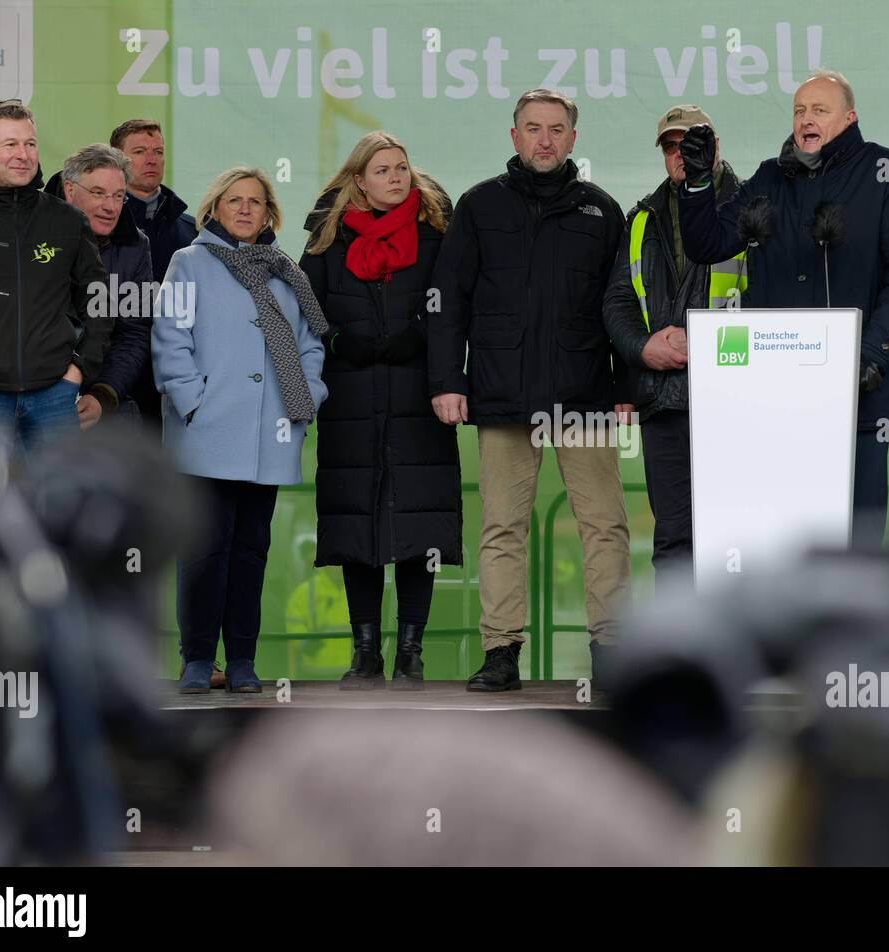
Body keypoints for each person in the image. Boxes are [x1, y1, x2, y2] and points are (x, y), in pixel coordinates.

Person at [676, 69, 889, 547]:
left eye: (819, 109)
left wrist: (872, 352)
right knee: (782, 534)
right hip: (777, 395)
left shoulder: (886, 173)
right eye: (798, 110)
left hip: (859, 394)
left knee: (856, 537)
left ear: (849, 117)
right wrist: (696, 184)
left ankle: (858, 623)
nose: (805, 119)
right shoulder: (771, 177)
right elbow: (708, 243)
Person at [430, 88, 629, 692]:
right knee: (501, 527)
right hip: (501, 394)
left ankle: (612, 653)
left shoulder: (603, 211)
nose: (545, 139)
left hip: (585, 395)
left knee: (605, 525)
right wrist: (447, 380)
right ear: (514, 136)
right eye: (533, 128)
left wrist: (626, 386)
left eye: (557, 129)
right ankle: (501, 653)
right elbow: (446, 303)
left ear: (574, 138)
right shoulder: (479, 205)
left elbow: (622, 305)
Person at [153, 167, 327, 693]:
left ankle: (244, 660)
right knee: (204, 549)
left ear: (269, 212)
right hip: (206, 432)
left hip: (268, 435)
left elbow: (310, 344)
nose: (246, 209)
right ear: (216, 209)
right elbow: (170, 336)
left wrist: (308, 396)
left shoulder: (286, 271)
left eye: (256, 201)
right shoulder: (189, 263)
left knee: (252, 550)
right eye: (235, 201)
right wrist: (192, 403)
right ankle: (199, 660)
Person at [299, 131, 462, 690]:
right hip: (350, 400)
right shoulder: (326, 239)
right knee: (357, 523)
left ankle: (411, 652)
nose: (397, 177)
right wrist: (340, 343)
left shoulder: (438, 234)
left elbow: (453, 306)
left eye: (402, 166)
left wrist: (419, 339)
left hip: (421, 397)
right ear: (359, 181)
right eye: (383, 170)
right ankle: (364, 650)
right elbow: (307, 312)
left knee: (420, 522)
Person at [602, 104, 744, 592]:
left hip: (738, 399)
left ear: (715, 148)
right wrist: (642, 349)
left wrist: (708, 344)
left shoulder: (751, 206)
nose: (681, 155)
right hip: (664, 399)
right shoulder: (641, 218)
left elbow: (777, 303)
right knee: (674, 541)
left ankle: (734, 662)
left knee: (737, 541)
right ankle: (683, 659)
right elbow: (618, 301)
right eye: (671, 146)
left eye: (692, 144)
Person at [0, 100, 108, 456]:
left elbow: (99, 303)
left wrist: (78, 370)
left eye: (30, 144)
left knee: (59, 509)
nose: (23, 154)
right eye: (9, 144)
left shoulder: (67, 221)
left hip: (54, 400)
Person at [45, 144, 153, 430]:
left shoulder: (136, 246)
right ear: (70, 190)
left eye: (119, 196)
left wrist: (103, 394)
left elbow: (135, 331)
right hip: (33, 402)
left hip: (105, 406)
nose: (111, 207)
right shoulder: (30, 233)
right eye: (98, 193)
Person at [111, 119, 198, 426]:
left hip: (180, 379)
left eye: (158, 151)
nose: (152, 159)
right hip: (117, 380)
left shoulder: (193, 231)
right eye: (140, 151)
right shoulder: (98, 227)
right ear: (117, 160)